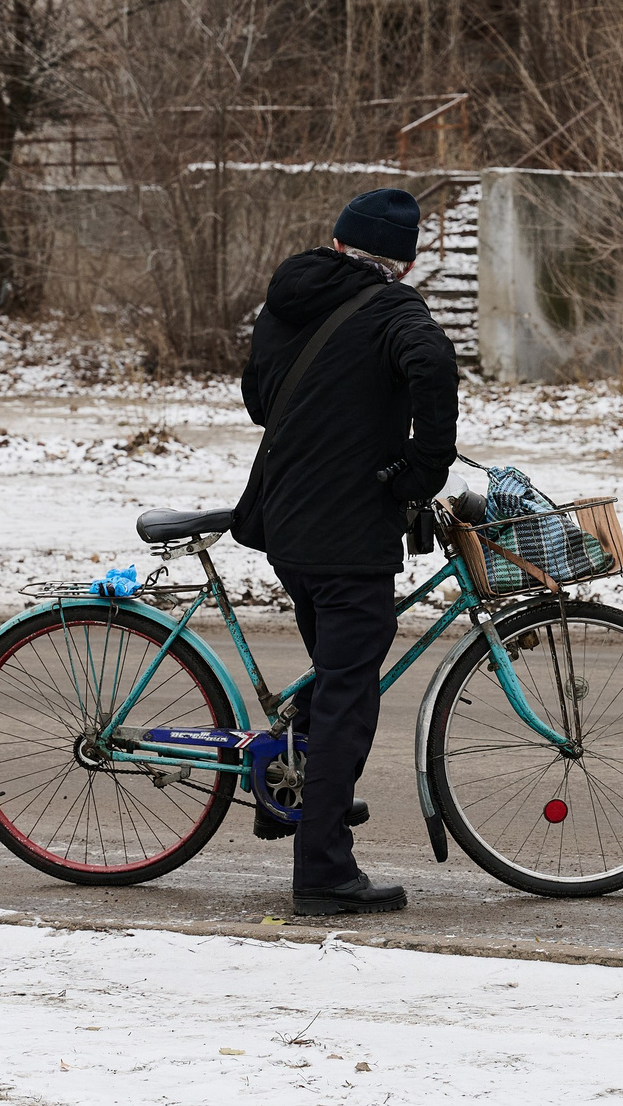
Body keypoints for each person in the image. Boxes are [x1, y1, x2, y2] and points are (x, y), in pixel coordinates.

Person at [235, 187, 457, 918]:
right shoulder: (397, 310)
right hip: (348, 531)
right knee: (346, 700)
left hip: (286, 524)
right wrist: (421, 471)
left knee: (333, 679)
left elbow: (261, 401)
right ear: (407, 259)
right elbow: (433, 364)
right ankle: (324, 870)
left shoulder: (288, 296)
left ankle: (292, 794)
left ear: (338, 243)